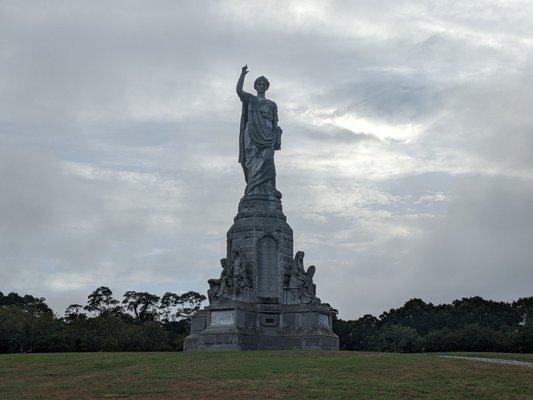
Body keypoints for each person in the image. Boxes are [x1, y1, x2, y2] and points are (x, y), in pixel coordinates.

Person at [236, 65, 283, 196]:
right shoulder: (251, 99)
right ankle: (253, 189)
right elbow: (239, 91)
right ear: (255, 86)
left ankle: (269, 188)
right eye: (259, 83)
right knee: (252, 162)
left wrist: (277, 136)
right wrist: (243, 75)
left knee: (268, 160)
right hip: (252, 135)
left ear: (267, 87)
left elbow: (275, 122)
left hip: (268, 137)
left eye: (264, 84)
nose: (261, 85)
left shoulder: (272, 104)